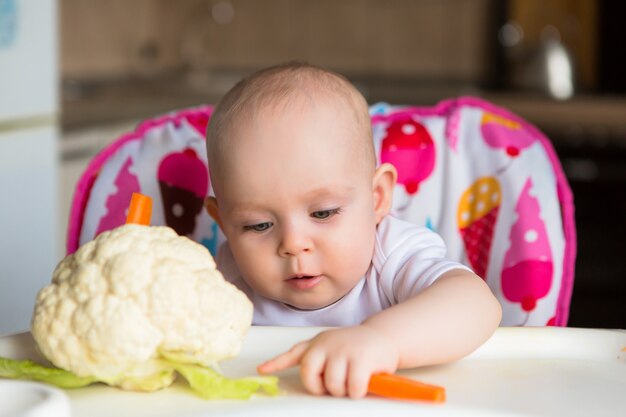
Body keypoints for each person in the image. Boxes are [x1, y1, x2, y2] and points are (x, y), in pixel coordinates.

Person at [204, 62, 502, 399]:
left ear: (377, 198)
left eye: (323, 212)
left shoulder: (390, 258)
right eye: (258, 225)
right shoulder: (221, 282)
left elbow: (477, 305)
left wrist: (384, 340)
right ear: (223, 223)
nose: (293, 244)